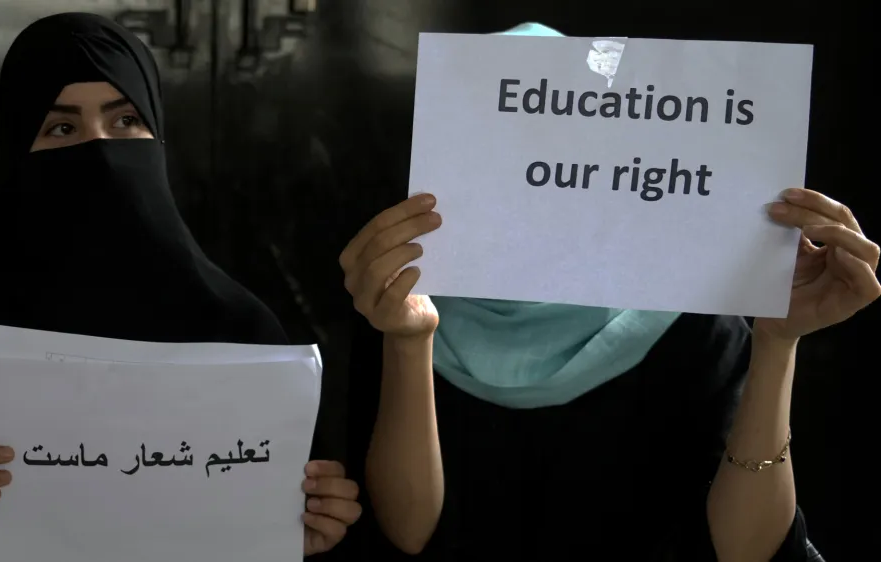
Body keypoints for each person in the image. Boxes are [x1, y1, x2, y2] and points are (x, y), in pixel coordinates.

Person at [340, 23, 870, 562]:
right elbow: (408, 537)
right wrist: (409, 342)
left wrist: (777, 342)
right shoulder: (401, 304)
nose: (537, 177)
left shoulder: (690, 324)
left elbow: (746, 553)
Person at [0, 13, 359, 560]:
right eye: (62, 128)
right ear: (16, 149)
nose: (101, 151)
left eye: (126, 120)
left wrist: (305, 538)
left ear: (156, 133)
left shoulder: (241, 333)